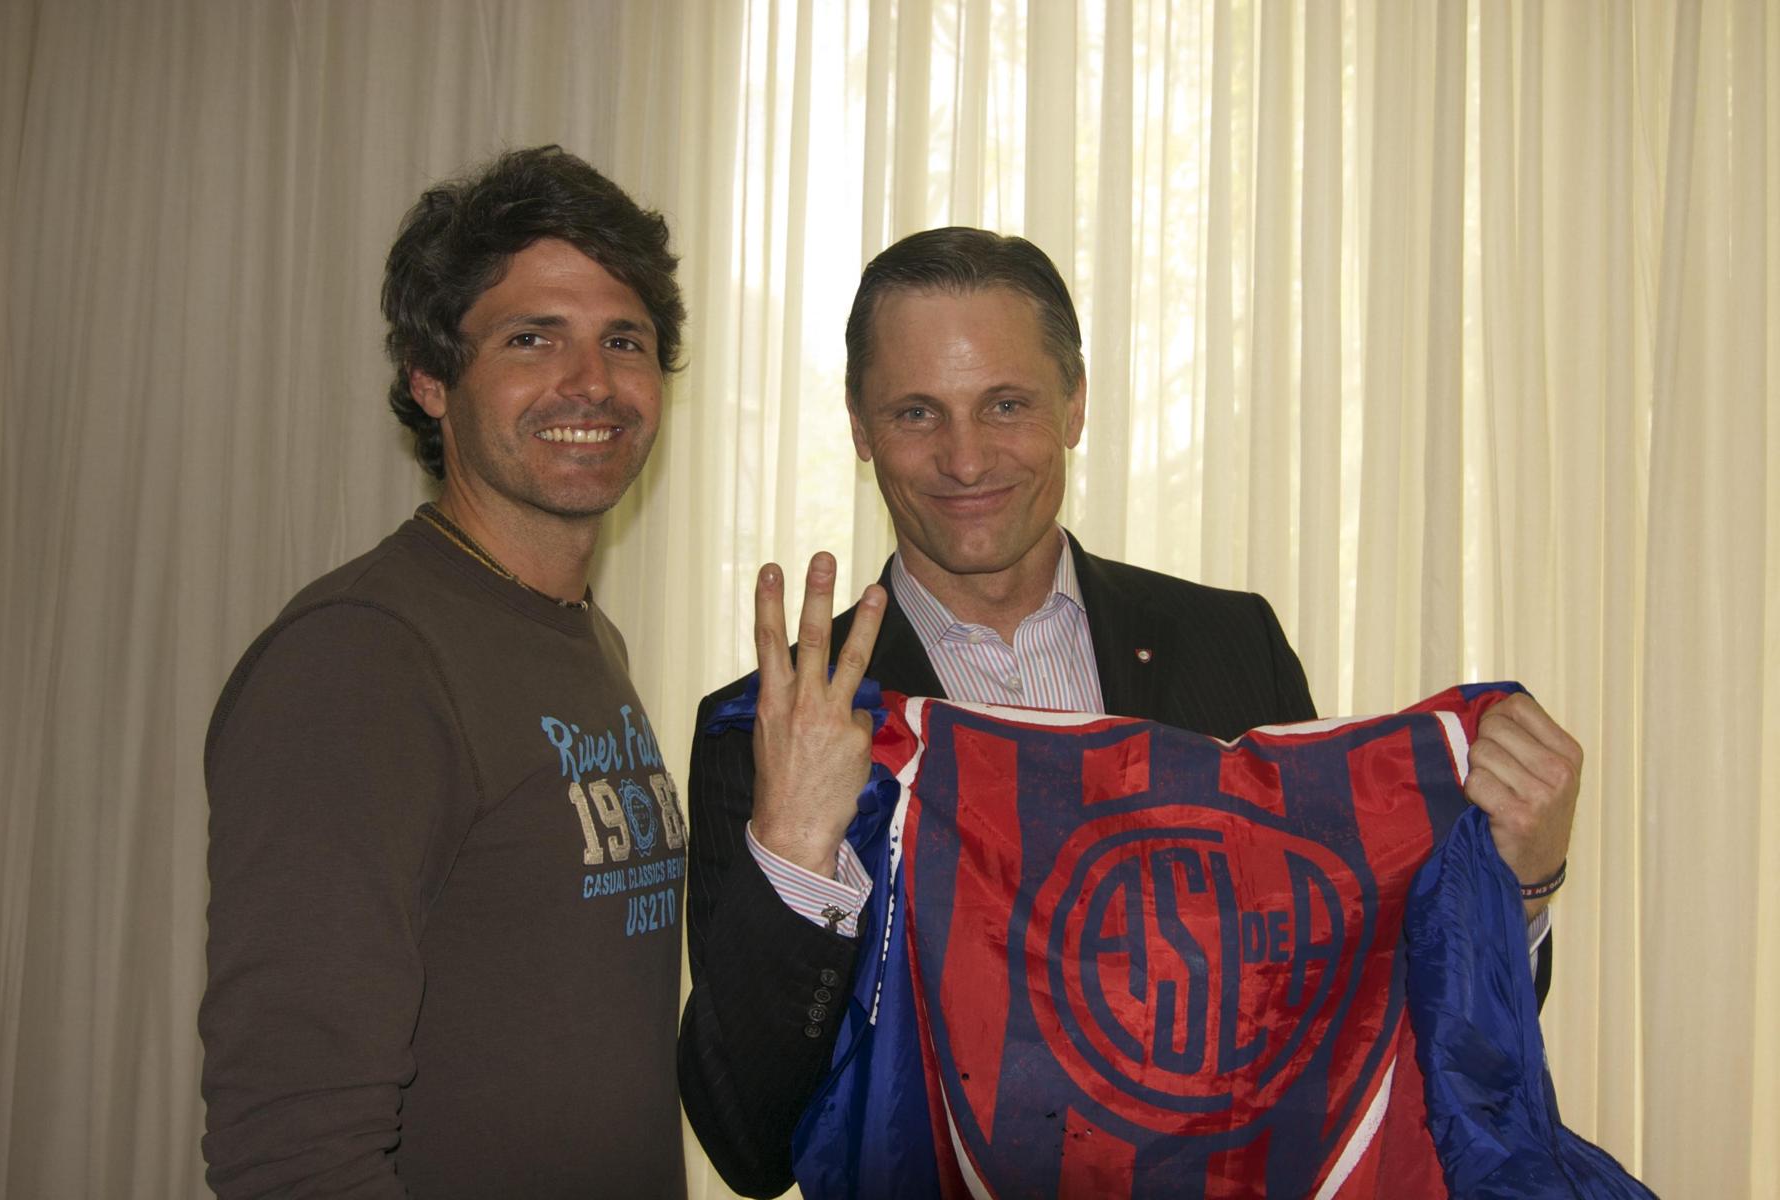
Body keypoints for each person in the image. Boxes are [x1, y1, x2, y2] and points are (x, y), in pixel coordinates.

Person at [677, 227, 1581, 1198]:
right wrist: (796, 852)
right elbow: (748, 1149)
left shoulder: (1233, 644)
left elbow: (1372, 1014)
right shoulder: (774, 723)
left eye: (1007, 404)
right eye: (915, 412)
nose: (965, 458)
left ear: (1075, 404)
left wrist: (1518, 888)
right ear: (859, 427)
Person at [199, 146, 689, 1199]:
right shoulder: (360, 660)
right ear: (431, 379)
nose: (592, 382)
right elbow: (292, 1150)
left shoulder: (582, 638)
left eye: (624, 340)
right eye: (531, 338)